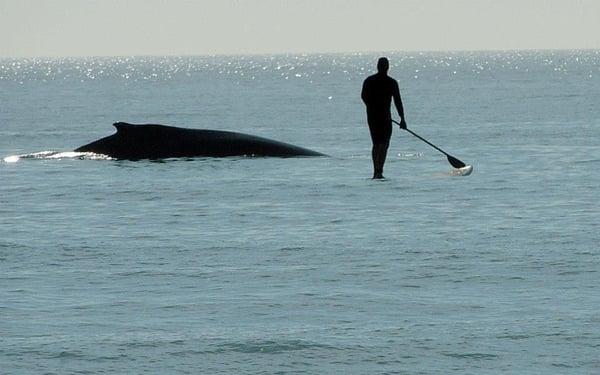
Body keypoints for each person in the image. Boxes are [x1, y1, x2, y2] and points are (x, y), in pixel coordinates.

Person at [361, 57, 407, 179]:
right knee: (382, 144)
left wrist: (402, 118)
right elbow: (398, 102)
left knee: (378, 144)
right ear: (387, 67)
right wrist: (402, 118)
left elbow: (364, 97)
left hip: (375, 117)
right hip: (381, 117)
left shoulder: (371, 80)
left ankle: (377, 171)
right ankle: (378, 170)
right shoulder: (389, 82)